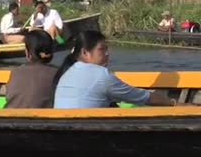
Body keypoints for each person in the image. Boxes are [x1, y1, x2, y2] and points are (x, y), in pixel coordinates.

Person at [53, 30, 181, 108]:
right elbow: (147, 98)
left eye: (107, 49)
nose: (107, 53)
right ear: (85, 53)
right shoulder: (102, 76)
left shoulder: (66, 73)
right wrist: (174, 103)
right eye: (102, 49)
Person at [5, 31, 57, 108]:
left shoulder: (15, 73)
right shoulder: (57, 75)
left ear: (27, 53)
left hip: (10, 117)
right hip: (41, 118)